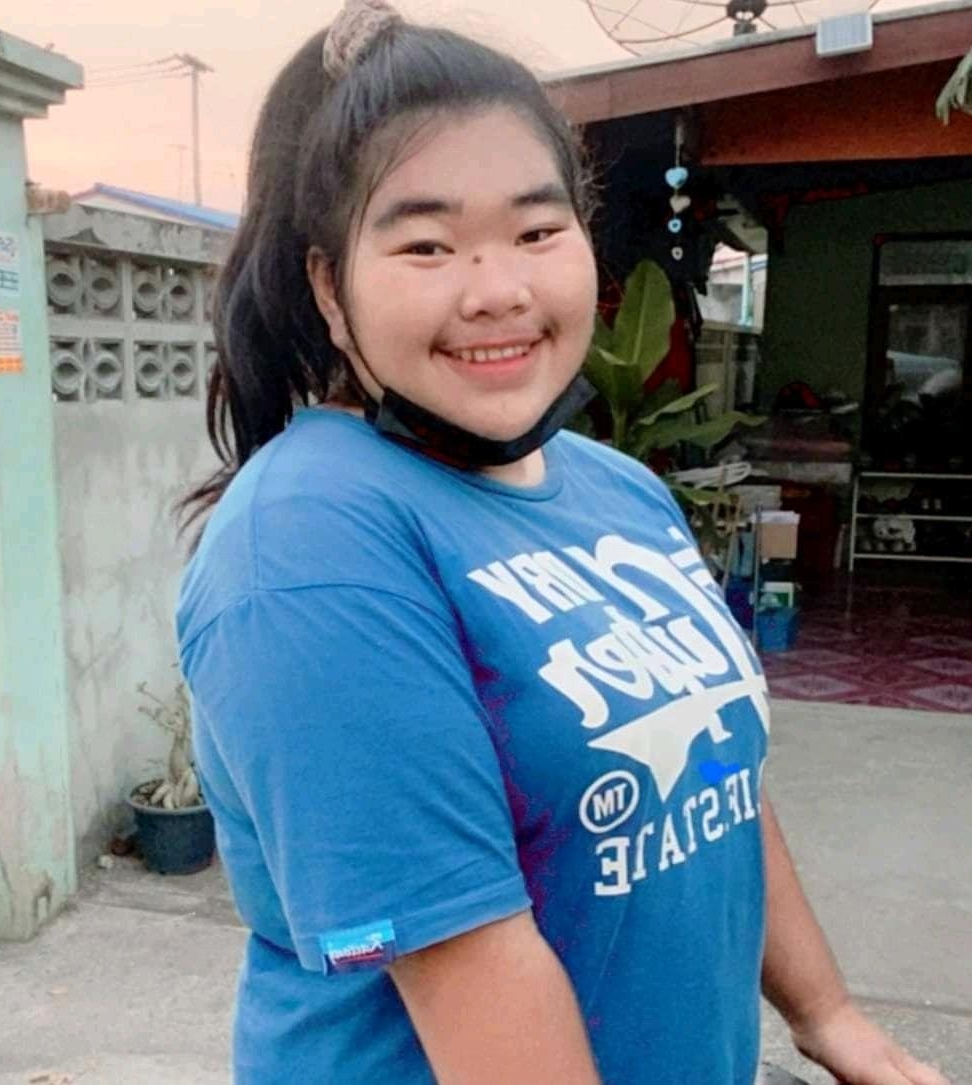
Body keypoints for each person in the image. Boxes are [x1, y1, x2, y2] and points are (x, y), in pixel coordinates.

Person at [176, 3, 951, 1082]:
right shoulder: (311, 550)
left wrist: (829, 1013)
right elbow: (474, 966)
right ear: (329, 287)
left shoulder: (618, 489)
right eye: (426, 244)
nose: (498, 291)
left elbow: (718, 778)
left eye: (537, 232)